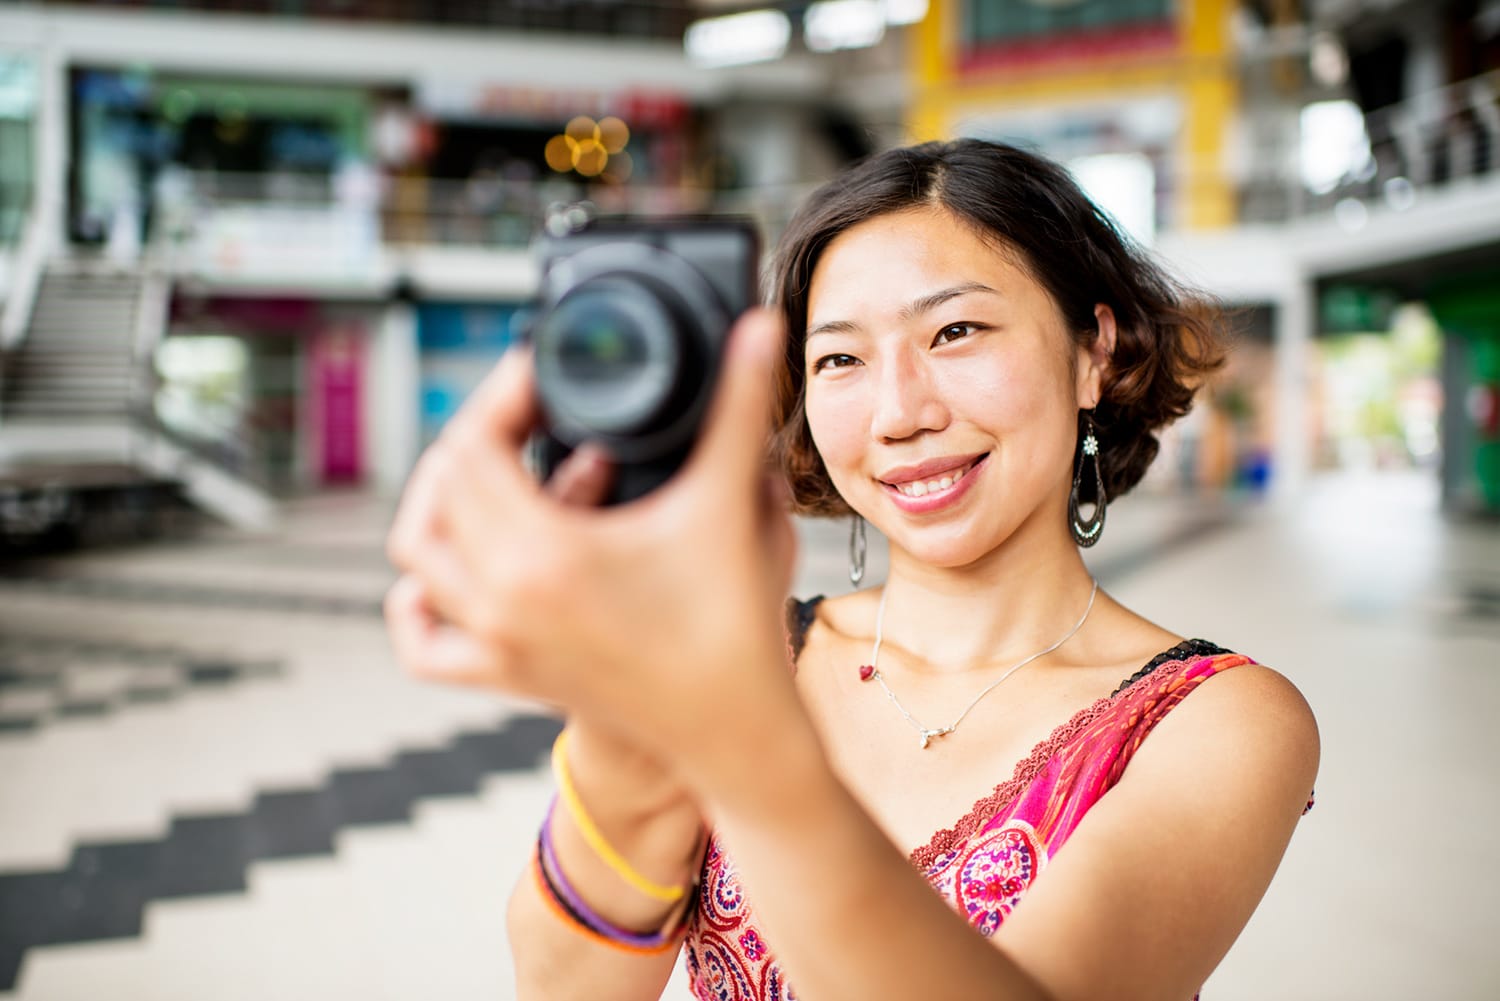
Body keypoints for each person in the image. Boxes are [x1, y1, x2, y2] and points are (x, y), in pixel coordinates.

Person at [384, 138, 1320, 1001]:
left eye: (955, 333)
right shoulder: (747, 654)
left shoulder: (1218, 721)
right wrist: (624, 717)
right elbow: (567, 987)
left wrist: (738, 743)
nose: (897, 412)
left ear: (1093, 352)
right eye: (839, 357)